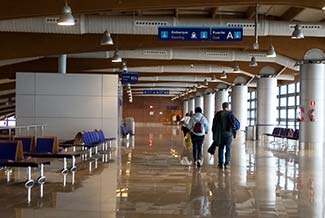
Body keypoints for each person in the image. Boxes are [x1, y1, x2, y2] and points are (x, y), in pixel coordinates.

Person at [212, 102, 233, 169]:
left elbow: (214, 124)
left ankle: (220, 163)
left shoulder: (218, 114)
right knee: (228, 148)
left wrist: (214, 133)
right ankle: (227, 162)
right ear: (228, 106)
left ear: (222, 106)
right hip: (229, 134)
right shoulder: (230, 114)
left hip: (220, 134)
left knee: (221, 148)